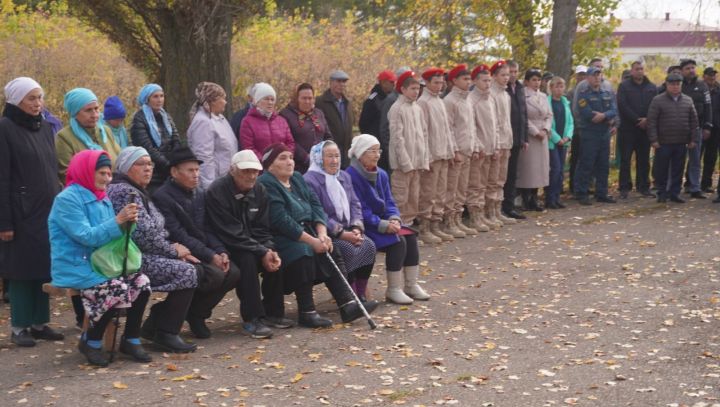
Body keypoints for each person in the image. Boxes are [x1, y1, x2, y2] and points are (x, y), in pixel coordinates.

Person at [153, 147, 271, 339]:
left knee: (232, 272)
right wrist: (210, 255)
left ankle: (197, 314)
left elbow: (208, 228)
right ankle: (175, 316)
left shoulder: (199, 193)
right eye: (190, 170)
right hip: (179, 251)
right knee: (216, 273)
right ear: (174, 172)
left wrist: (220, 251)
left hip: (204, 248)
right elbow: (179, 234)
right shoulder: (163, 196)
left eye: (197, 170)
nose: (196, 175)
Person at [49, 150, 151, 366]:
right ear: (86, 171)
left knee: (142, 283)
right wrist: (117, 221)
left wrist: (128, 224)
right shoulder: (66, 199)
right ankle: (91, 342)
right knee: (116, 289)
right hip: (77, 263)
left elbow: (113, 237)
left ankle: (131, 339)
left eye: (109, 174)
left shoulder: (101, 197)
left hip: (102, 262)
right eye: (102, 173)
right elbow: (86, 237)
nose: (107, 179)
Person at [258, 143, 375, 327]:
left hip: (308, 231)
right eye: (282, 158)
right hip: (281, 237)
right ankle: (307, 311)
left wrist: (322, 233)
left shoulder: (296, 178)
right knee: (304, 251)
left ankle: (347, 304)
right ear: (270, 165)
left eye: (290, 157)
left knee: (331, 247)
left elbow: (316, 206)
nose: (289, 162)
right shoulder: (266, 183)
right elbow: (281, 220)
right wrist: (312, 241)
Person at [107, 147, 198, 353]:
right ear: (127, 167)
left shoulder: (137, 190)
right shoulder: (124, 191)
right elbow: (143, 235)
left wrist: (174, 248)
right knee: (187, 271)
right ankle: (165, 332)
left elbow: (157, 230)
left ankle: (157, 326)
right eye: (142, 164)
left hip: (143, 253)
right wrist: (174, 252)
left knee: (196, 268)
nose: (148, 169)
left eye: (150, 164)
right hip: (127, 258)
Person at [0, 77, 64, 347]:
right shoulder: (5, 128)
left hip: (46, 210)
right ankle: (19, 326)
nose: (38, 104)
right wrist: (5, 222)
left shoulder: (44, 127)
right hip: (20, 212)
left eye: (40, 97)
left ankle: (39, 322)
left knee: (42, 267)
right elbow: (2, 177)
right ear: (17, 101)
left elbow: (51, 169)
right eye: (31, 98)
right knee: (21, 271)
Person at [204, 150, 292, 331]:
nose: (251, 176)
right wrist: (261, 250)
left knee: (275, 256)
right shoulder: (217, 191)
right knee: (247, 260)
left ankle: (274, 314)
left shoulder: (260, 190)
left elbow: (262, 228)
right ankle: (252, 318)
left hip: (252, 243)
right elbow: (230, 233)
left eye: (255, 171)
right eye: (246, 171)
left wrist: (268, 249)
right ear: (232, 170)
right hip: (224, 246)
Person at [346, 134, 429, 305]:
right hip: (365, 226)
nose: (377, 155)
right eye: (372, 151)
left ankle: (411, 285)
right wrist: (383, 225)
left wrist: (394, 218)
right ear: (360, 154)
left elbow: (390, 201)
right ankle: (393, 289)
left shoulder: (381, 174)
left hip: (383, 222)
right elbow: (360, 209)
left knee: (410, 236)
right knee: (398, 242)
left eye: (378, 151)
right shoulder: (351, 176)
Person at [304, 141, 378, 303]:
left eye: (337, 156)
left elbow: (355, 203)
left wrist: (356, 227)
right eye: (329, 156)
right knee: (347, 249)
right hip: (328, 233)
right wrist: (342, 233)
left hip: (349, 229)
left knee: (369, 245)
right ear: (318, 158)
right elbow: (318, 213)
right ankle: (350, 296)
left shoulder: (343, 176)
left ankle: (361, 292)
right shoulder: (310, 180)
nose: (334, 160)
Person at [416, 67, 457, 242]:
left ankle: (436, 224)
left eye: (441, 82)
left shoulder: (439, 101)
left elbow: (447, 129)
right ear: (426, 83)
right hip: (432, 155)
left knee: (441, 191)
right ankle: (424, 228)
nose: (440, 86)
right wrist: (427, 157)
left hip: (443, 153)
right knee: (428, 193)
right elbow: (423, 132)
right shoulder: (423, 102)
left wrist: (451, 150)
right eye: (436, 82)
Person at [647, 73, 699, 203]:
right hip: (663, 142)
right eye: (672, 84)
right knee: (661, 169)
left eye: (678, 84)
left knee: (678, 169)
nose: (675, 87)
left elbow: (694, 122)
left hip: (681, 141)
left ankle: (675, 193)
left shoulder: (688, 100)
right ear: (667, 85)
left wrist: (693, 139)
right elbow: (652, 121)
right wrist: (654, 139)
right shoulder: (658, 100)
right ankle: (662, 192)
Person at [388, 70, 430, 230]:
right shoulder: (397, 108)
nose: (416, 92)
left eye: (418, 88)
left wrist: (423, 160)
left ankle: (409, 229)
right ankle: (399, 232)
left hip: (416, 164)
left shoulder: (417, 108)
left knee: (413, 200)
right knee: (401, 200)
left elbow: (423, 135)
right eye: (412, 88)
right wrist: (406, 163)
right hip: (403, 166)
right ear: (403, 89)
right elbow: (397, 139)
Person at [56, 88, 122, 184]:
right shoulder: (64, 138)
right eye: (88, 110)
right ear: (75, 113)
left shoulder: (105, 131)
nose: (94, 114)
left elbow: (120, 160)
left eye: (96, 109)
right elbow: (67, 175)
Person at [573, 66, 618, 205]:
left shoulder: (606, 92)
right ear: (588, 78)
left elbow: (614, 109)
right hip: (589, 133)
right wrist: (604, 116)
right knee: (587, 164)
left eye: (599, 75)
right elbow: (586, 112)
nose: (597, 78)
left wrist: (604, 115)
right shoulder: (583, 93)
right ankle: (582, 193)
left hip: (604, 133)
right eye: (594, 75)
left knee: (603, 164)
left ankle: (602, 193)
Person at [443, 64, 479, 236]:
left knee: (462, 188)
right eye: (464, 79)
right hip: (457, 151)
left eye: (469, 78)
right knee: (452, 188)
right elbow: (448, 128)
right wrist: (454, 150)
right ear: (454, 81)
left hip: (468, 149)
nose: (468, 82)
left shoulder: (468, 99)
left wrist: (475, 146)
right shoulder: (450, 101)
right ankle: (449, 222)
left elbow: (472, 126)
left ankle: (457, 219)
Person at [130, 83, 182, 192]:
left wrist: (176, 161)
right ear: (147, 99)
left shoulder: (166, 117)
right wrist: (168, 166)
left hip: (169, 170)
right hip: (152, 173)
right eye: (155, 96)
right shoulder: (139, 119)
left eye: (161, 96)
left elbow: (176, 139)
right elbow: (147, 148)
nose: (160, 100)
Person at [616, 61, 657, 199]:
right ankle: (624, 187)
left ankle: (643, 186)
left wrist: (647, 120)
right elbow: (622, 105)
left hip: (645, 130)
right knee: (625, 159)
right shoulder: (624, 86)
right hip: (628, 129)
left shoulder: (651, 87)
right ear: (632, 71)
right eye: (637, 69)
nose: (639, 71)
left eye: (641, 69)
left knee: (644, 160)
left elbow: (655, 106)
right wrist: (637, 120)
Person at [187, 81, 238, 189]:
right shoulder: (203, 122)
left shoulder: (220, 118)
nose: (225, 102)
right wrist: (209, 186)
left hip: (226, 179)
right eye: (223, 99)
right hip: (215, 182)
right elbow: (204, 156)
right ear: (213, 101)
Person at [516, 68, 552, 212]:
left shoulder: (543, 96)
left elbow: (549, 115)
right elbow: (523, 116)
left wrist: (545, 129)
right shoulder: (522, 96)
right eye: (533, 80)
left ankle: (535, 198)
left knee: (539, 169)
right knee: (528, 169)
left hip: (542, 134)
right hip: (530, 135)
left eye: (538, 80)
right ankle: (525, 199)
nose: (537, 83)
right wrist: (535, 132)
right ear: (526, 81)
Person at [467, 64, 498, 231]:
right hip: (479, 150)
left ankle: (489, 212)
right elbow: (472, 127)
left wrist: (496, 144)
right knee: (476, 184)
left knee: (489, 183)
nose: (487, 84)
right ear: (475, 81)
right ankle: (475, 216)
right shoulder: (472, 99)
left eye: (489, 80)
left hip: (491, 148)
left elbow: (496, 125)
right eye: (484, 80)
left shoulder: (490, 98)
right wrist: (478, 146)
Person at [488, 60, 517, 227]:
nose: (507, 78)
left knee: (500, 180)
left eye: (508, 74)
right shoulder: (491, 94)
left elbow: (506, 122)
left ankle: (497, 210)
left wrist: (509, 141)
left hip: (506, 142)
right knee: (491, 180)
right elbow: (495, 124)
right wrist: (497, 144)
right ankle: (488, 212)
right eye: (503, 75)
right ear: (494, 76)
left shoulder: (505, 95)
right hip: (496, 144)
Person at [279, 83, 332, 173]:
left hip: (322, 163)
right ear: (297, 99)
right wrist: (307, 158)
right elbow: (289, 141)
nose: (307, 101)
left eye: (310, 98)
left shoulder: (318, 113)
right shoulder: (285, 115)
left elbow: (327, 135)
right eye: (304, 98)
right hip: (299, 166)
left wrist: (327, 152)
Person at [680, 59, 713, 199]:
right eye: (687, 68)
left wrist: (707, 126)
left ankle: (695, 188)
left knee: (695, 159)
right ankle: (673, 187)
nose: (691, 70)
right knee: (678, 159)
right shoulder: (677, 84)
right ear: (682, 70)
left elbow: (708, 106)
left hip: (697, 128)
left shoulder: (702, 85)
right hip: (679, 129)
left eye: (693, 67)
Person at [239, 82, 295, 160]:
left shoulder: (281, 121)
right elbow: (249, 148)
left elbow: (290, 143)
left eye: (272, 99)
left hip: (282, 166)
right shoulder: (247, 122)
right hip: (260, 168)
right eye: (266, 99)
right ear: (257, 101)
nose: (270, 102)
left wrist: (285, 158)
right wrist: (266, 162)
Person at [502, 60, 529, 220]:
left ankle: (509, 205)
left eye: (514, 72)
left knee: (513, 175)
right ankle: (501, 206)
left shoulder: (519, 88)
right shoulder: (501, 90)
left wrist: (524, 137)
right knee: (502, 175)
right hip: (505, 138)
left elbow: (523, 114)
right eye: (509, 72)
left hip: (517, 137)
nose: (512, 75)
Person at [545, 76, 574, 209]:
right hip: (552, 142)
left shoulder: (565, 102)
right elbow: (547, 123)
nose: (559, 89)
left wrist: (567, 137)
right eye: (556, 86)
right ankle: (549, 198)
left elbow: (570, 122)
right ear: (551, 88)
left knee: (561, 170)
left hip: (564, 142)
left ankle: (557, 197)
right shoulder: (547, 102)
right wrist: (557, 139)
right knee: (555, 169)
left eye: (561, 86)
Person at [378, 67, 412, 173]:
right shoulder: (391, 100)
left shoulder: (410, 101)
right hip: (396, 154)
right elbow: (385, 129)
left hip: (409, 152)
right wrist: (392, 151)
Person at [317, 70, 354, 169]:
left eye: (344, 82)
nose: (341, 84)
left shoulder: (348, 103)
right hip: (329, 153)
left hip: (346, 155)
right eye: (338, 81)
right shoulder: (320, 102)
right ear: (331, 82)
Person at [359, 70, 397, 139]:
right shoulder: (372, 101)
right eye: (391, 82)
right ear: (383, 83)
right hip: (376, 142)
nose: (394, 84)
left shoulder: (392, 99)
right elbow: (363, 124)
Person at [568, 65, 587, 193]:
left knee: (585, 158)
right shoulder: (571, 92)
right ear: (576, 76)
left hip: (587, 130)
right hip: (575, 131)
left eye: (584, 75)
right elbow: (572, 112)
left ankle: (584, 185)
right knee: (575, 159)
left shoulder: (588, 90)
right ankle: (573, 185)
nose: (582, 77)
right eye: (580, 75)